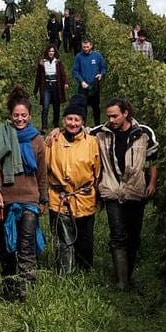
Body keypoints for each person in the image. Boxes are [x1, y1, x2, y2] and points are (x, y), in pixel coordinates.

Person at [93, 99, 158, 291]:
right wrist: (55, 131)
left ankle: (127, 276)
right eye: (109, 116)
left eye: (115, 116)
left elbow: (153, 159)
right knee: (117, 235)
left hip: (135, 191)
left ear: (125, 114)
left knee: (134, 236)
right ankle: (121, 282)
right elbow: (76, 128)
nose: (111, 120)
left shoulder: (144, 133)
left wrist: (152, 182)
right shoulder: (100, 132)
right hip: (112, 189)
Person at [0, 87, 47, 299]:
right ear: (10, 116)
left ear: (30, 116)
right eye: (16, 115)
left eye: (24, 115)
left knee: (26, 247)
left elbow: (42, 173)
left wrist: (43, 198)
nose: (20, 119)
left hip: (29, 201)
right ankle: (8, 289)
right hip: (5, 199)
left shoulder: (38, 140)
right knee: (5, 247)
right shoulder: (1, 135)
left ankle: (26, 292)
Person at [47, 96, 101, 274]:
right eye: (69, 119)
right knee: (63, 239)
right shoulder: (53, 141)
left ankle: (85, 270)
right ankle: (64, 273)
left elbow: (97, 170)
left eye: (77, 119)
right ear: (64, 120)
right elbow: (45, 168)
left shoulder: (92, 142)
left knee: (85, 238)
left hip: (84, 197)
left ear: (83, 122)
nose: (73, 123)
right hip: (59, 198)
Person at [71, 37, 107, 125]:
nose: (86, 49)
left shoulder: (97, 55)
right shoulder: (79, 57)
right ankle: (83, 126)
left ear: (91, 46)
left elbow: (103, 67)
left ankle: (97, 125)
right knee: (83, 107)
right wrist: (81, 81)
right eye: (84, 47)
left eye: (87, 47)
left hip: (94, 85)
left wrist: (101, 74)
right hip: (83, 86)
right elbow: (75, 71)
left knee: (96, 107)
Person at [34, 44, 68, 128]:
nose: (51, 53)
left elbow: (62, 74)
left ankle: (56, 123)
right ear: (47, 52)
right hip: (46, 86)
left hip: (56, 86)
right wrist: (36, 89)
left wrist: (65, 82)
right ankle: (44, 126)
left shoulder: (58, 62)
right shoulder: (42, 63)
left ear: (54, 52)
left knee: (56, 106)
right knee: (45, 107)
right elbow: (38, 77)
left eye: (52, 51)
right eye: (50, 51)